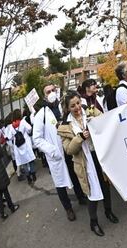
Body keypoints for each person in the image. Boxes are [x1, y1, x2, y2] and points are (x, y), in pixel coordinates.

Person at [58, 92, 119, 236]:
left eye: (78, 103)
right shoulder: (64, 126)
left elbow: (107, 122)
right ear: (67, 108)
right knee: (92, 192)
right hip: (84, 162)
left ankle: (109, 212)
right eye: (72, 106)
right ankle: (94, 222)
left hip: (99, 157)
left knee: (106, 186)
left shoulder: (91, 111)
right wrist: (80, 138)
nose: (77, 107)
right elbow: (68, 150)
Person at [33, 85, 87, 221]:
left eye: (53, 90)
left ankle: (81, 197)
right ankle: (68, 208)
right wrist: (52, 151)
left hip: (69, 147)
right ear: (44, 96)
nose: (51, 93)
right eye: (48, 92)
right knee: (60, 184)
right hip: (56, 154)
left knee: (75, 173)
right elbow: (37, 139)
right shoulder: (41, 115)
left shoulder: (64, 107)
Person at [6, 109, 36, 184]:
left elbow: (9, 137)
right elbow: (29, 129)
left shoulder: (11, 126)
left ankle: (28, 177)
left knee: (24, 162)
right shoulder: (22, 122)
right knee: (30, 160)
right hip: (26, 144)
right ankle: (33, 175)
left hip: (18, 146)